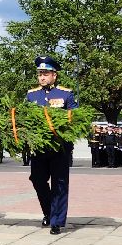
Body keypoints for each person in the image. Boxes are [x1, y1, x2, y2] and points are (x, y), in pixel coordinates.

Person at [25, 55, 77, 234]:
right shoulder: (31, 95)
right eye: (40, 74)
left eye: (45, 74)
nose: (42, 77)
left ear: (54, 75)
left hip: (59, 148)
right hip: (39, 148)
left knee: (59, 184)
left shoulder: (66, 94)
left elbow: (74, 118)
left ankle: (56, 221)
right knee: (37, 180)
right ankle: (48, 211)